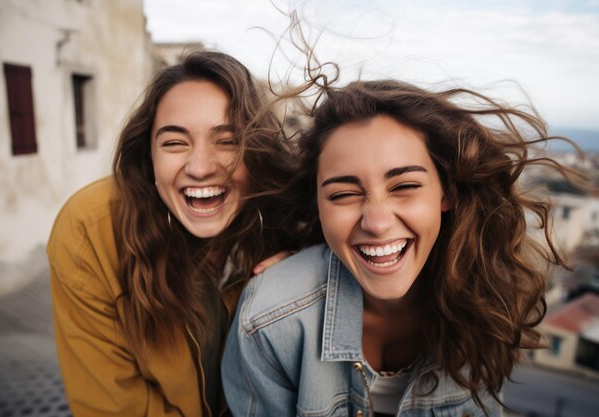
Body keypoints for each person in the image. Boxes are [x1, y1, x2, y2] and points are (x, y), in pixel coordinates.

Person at [222, 79, 583, 416]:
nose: (377, 223)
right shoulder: (271, 321)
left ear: (446, 193)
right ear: (318, 205)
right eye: (343, 195)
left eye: (404, 186)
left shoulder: (489, 302)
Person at [47, 51, 300, 417]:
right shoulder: (90, 231)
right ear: (148, 154)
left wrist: (307, 276)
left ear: (258, 151)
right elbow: (114, 407)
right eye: (174, 142)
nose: (199, 167)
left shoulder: (295, 225)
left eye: (228, 141)